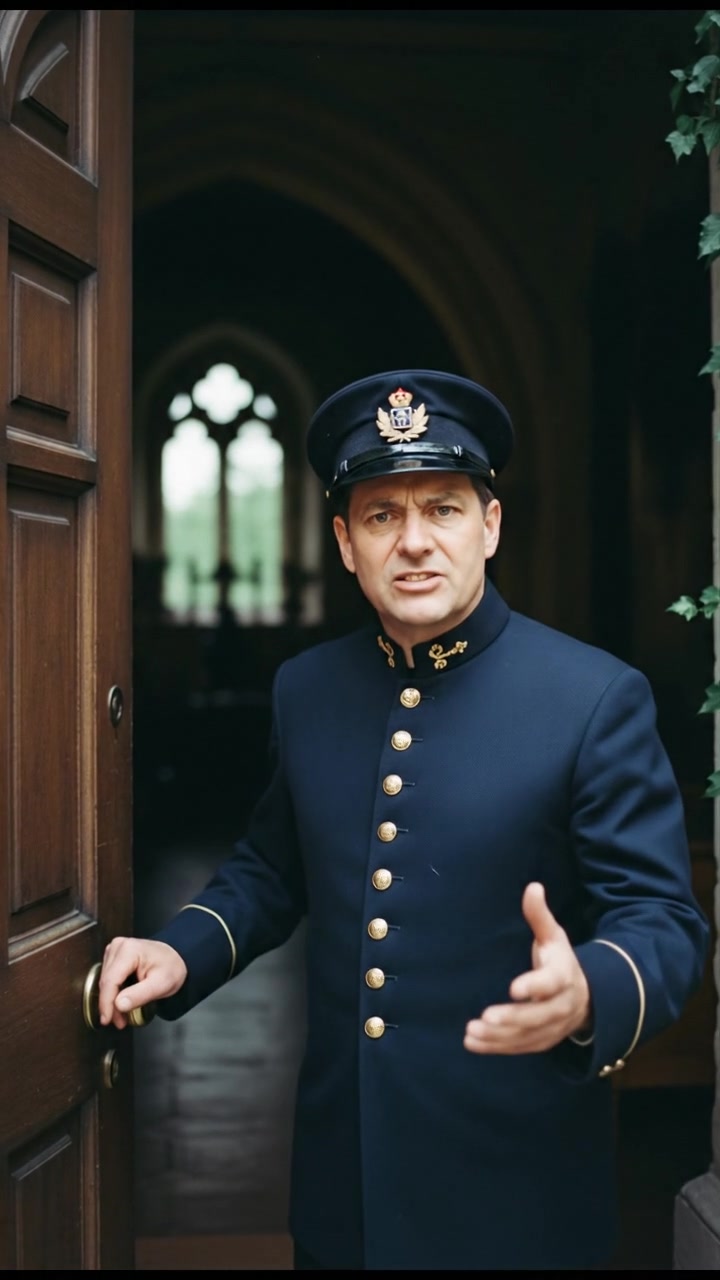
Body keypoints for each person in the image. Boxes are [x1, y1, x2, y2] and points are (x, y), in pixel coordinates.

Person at [99, 369, 710, 1271]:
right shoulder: (305, 690)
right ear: (345, 542)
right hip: (344, 1189)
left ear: (490, 526)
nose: (415, 543)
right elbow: (273, 870)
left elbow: (665, 922)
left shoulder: (592, 698)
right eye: (383, 516)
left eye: (445, 509)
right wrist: (183, 949)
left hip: (517, 1194)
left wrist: (590, 991)